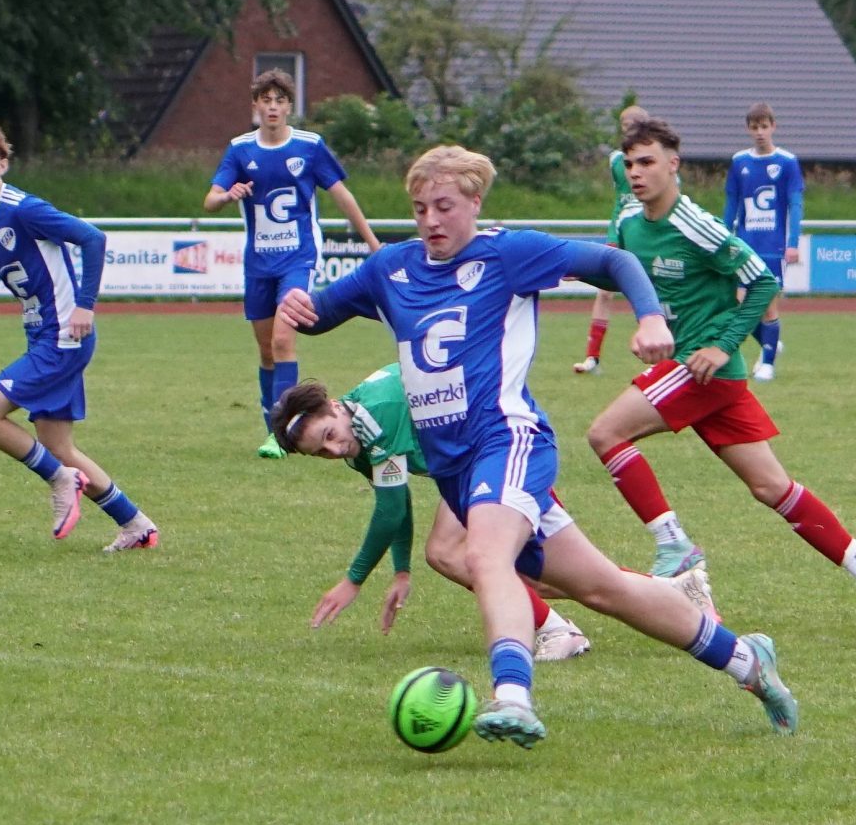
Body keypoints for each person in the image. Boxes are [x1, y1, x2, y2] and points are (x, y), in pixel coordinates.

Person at [277, 144, 797, 747]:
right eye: (420, 209)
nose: (431, 221)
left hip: (508, 438)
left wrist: (651, 316)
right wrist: (299, 306)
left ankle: (513, 696)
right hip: (454, 469)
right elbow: (319, 314)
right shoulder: (391, 268)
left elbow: (614, 261)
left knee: (483, 556)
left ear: (475, 201)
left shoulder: (509, 253)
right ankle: (747, 660)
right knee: (604, 588)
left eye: (444, 206)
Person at [586, 116, 856, 634]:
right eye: (629, 164)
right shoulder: (627, 221)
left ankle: (674, 544)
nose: (636, 173)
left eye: (647, 162)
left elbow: (761, 283)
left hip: (703, 368)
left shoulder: (697, 225)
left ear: (673, 164)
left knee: (605, 433)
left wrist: (721, 345)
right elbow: (614, 271)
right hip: (700, 371)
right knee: (772, 486)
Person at [0, 117, 159, 552]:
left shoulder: (23, 209)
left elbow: (93, 239)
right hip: (41, 335)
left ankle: (61, 480)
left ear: (3, 164)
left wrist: (85, 304)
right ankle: (136, 525)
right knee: (57, 445)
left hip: (64, 335)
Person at [275, 365, 619, 662]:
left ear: (335, 406)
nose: (334, 449)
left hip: (498, 450)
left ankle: (558, 630)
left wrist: (353, 580)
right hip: (484, 459)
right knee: (544, 572)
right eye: (321, 452)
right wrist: (402, 571)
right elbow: (397, 501)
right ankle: (642, 591)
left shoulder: (374, 414)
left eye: (329, 435)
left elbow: (389, 512)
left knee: (448, 552)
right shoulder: (356, 435)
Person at [201, 69, 377, 457]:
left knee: (283, 339)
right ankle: (273, 431)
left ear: (289, 107)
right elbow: (210, 200)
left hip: (298, 258)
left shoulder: (309, 147)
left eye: (279, 101)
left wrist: (373, 244)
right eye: (266, 100)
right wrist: (228, 196)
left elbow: (343, 196)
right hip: (258, 263)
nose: (273, 107)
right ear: (255, 105)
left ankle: (284, 436)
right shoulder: (240, 149)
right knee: (267, 351)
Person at [724, 102, 803, 380]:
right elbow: (731, 204)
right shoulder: (739, 162)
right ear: (748, 129)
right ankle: (771, 343)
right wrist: (723, 237)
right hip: (744, 245)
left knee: (767, 305)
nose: (760, 132)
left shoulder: (787, 162)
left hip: (773, 246)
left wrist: (793, 242)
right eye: (755, 127)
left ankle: (768, 364)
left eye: (764, 126)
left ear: (773, 127)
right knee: (736, 305)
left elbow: (795, 205)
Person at [574, 104, 649, 375]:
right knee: (605, 291)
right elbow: (621, 198)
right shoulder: (616, 160)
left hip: (645, 230)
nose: (628, 132)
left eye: (633, 127)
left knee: (654, 289)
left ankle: (660, 353)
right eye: (624, 127)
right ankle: (592, 357)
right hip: (619, 229)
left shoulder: (655, 162)